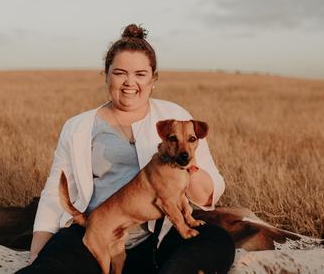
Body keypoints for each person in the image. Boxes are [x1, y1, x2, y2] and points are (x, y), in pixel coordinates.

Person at [18, 25, 234, 274]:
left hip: (161, 234)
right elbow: (53, 194)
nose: (130, 83)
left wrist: (182, 160)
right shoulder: (78, 127)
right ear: (106, 75)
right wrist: (37, 255)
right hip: (97, 231)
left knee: (218, 242)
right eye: (120, 73)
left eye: (140, 74)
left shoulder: (175, 119)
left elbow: (209, 193)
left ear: (153, 79)